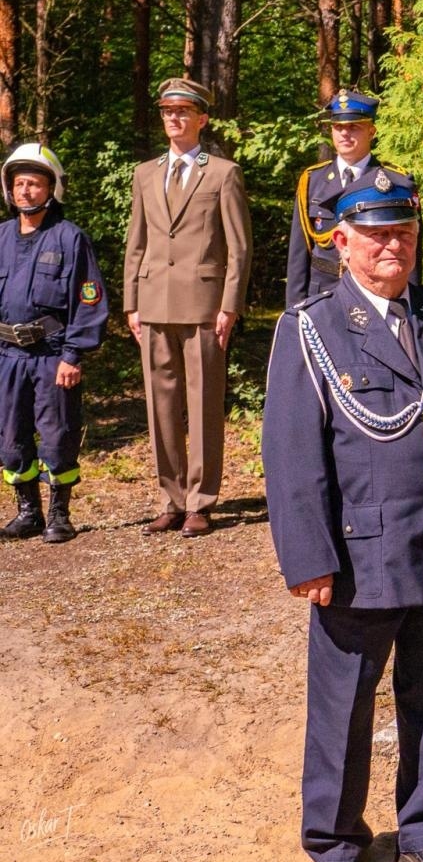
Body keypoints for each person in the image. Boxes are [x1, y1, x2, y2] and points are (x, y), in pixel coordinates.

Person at [263, 166, 423, 862]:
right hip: (359, 556)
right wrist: (308, 554)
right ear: (341, 242)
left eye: (402, 232)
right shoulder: (310, 331)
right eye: (374, 235)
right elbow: (291, 455)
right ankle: (336, 842)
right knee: (343, 708)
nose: (390, 247)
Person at [123, 77, 252, 538]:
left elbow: (239, 247)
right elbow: (136, 242)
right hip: (154, 303)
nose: (173, 119)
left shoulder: (221, 172)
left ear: (202, 119)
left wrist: (229, 306)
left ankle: (201, 500)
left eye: (182, 112)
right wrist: (131, 304)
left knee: (202, 405)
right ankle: (170, 498)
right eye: (167, 112)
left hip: (203, 305)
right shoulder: (145, 174)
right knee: (160, 408)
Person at [0, 143, 107, 543]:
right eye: (20, 183)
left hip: (52, 356)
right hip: (6, 356)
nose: (26, 191)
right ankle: (27, 511)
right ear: (10, 189)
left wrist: (73, 354)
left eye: (35, 183)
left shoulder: (70, 238)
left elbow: (89, 299)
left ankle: (59, 514)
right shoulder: (1, 238)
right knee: (10, 439)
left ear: (52, 189)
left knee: (58, 434)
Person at [286, 87, 421, 307]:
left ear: (371, 132)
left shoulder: (394, 182)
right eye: (338, 127)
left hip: (377, 293)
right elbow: (298, 256)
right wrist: (295, 308)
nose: (344, 134)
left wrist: (410, 305)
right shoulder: (312, 181)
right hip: (323, 293)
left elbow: (411, 247)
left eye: (353, 127)